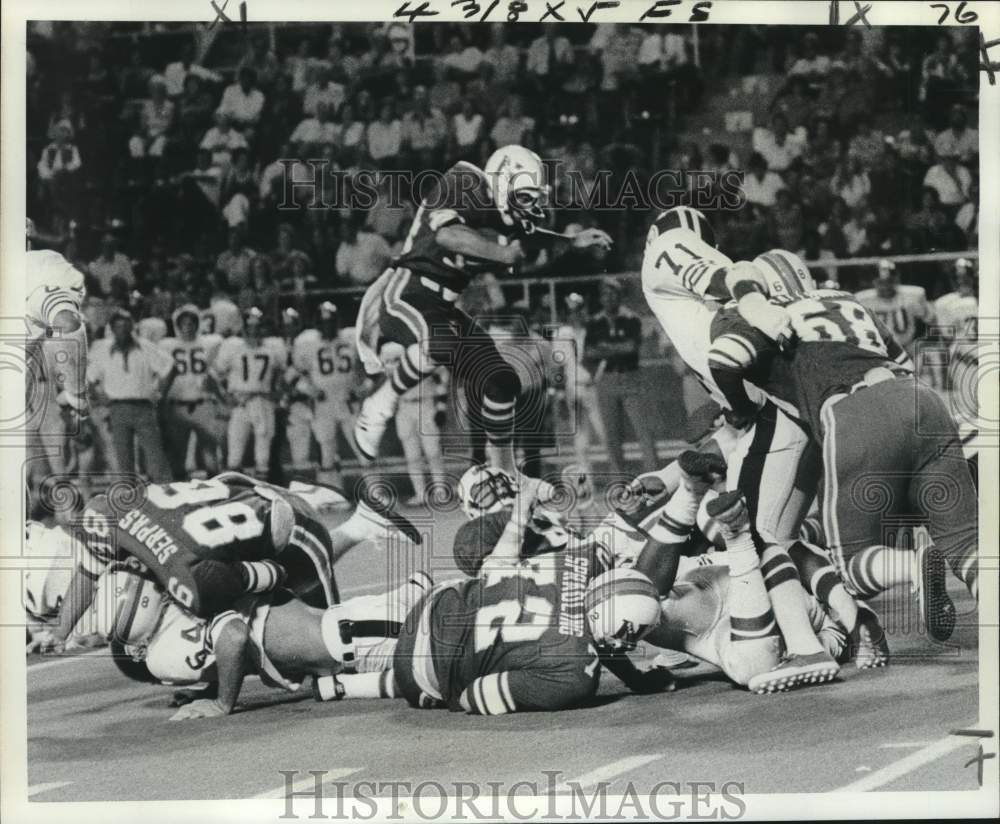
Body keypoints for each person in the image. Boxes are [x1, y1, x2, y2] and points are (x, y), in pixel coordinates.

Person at [708, 260, 978, 641]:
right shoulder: (841, 298)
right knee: (968, 541)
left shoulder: (758, 313)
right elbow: (902, 360)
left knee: (850, 564)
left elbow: (725, 358)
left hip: (853, 413)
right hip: (920, 401)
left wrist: (740, 408)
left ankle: (911, 566)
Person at [641, 210, 843, 690]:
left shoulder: (664, 251)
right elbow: (730, 426)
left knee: (752, 537)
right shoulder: (706, 315)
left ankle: (808, 646)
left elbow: (732, 274)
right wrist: (670, 476)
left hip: (775, 412)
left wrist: (749, 297)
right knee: (782, 538)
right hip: (794, 409)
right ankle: (849, 616)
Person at [353, 145, 611, 473]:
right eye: (527, 197)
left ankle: (503, 472)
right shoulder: (466, 182)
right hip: (408, 296)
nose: (534, 206)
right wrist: (499, 253)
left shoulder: (501, 209)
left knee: (502, 383)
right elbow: (447, 234)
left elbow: (528, 236)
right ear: (503, 182)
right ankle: (380, 403)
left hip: (443, 308)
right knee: (442, 339)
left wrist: (570, 240)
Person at [87, 308, 173, 482]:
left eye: (127, 326)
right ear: (112, 328)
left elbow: (170, 367)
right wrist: (98, 396)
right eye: (119, 327)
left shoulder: (145, 347)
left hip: (143, 406)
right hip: (116, 408)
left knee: (154, 455)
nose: (123, 331)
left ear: (133, 327)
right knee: (123, 459)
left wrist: (160, 393)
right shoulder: (103, 350)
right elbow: (89, 378)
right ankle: (129, 500)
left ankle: (165, 497)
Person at [584, 278, 657, 476]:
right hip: (606, 380)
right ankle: (619, 481)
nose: (609, 298)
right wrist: (616, 348)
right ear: (600, 298)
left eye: (613, 293)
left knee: (644, 432)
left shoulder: (631, 318)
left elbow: (631, 347)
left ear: (619, 296)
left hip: (630, 377)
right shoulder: (595, 322)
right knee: (612, 435)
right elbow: (589, 353)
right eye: (605, 294)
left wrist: (605, 348)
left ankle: (653, 477)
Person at [287, 302, 363, 487]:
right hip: (324, 404)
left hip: (348, 401)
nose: (328, 327)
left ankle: (378, 495)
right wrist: (311, 391)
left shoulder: (351, 337)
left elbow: (368, 368)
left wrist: (361, 390)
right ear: (318, 324)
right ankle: (332, 495)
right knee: (326, 451)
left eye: (331, 322)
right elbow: (294, 376)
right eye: (324, 323)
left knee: (364, 449)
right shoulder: (307, 342)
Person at [211, 307, 287, 478]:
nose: (253, 331)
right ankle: (234, 497)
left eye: (257, 327)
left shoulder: (274, 347)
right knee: (234, 455)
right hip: (241, 402)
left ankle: (263, 495)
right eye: (250, 327)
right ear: (244, 327)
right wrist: (223, 397)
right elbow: (213, 375)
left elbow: (281, 377)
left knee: (263, 456)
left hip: (263, 402)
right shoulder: (232, 346)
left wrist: (278, 393)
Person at [157, 304, 225, 480]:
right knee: (177, 455)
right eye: (184, 323)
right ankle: (181, 496)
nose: (188, 327)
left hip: (203, 403)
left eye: (191, 323)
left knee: (210, 453)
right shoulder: (166, 346)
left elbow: (216, 373)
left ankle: (215, 493)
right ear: (177, 326)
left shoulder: (209, 344)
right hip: (176, 405)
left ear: (197, 324)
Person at [380, 343, 446, 506]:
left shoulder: (422, 357)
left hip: (425, 403)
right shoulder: (390, 360)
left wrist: (441, 407)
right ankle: (420, 493)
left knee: (432, 451)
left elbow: (442, 378)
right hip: (404, 407)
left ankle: (440, 491)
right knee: (412, 455)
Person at [855, 259, 935, 356]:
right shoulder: (862, 300)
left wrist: (919, 341)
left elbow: (931, 321)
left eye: (889, 281)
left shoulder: (914, 295)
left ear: (897, 279)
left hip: (908, 348)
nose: (886, 286)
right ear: (873, 282)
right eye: (881, 282)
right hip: (878, 351)